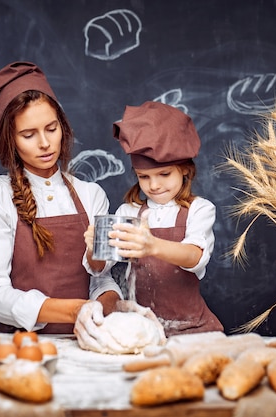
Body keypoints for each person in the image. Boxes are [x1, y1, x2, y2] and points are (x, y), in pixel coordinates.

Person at [0, 61, 159, 345]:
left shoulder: (91, 195)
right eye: (28, 135)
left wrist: (113, 307)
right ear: (10, 141)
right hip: (23, 347)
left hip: (85, 341)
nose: (45, 143)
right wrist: (75, 309)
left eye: (51, 128)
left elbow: (100, 279)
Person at [84, 101, 224, 336]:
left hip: (191, 327)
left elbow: (195, 256)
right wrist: (93, 249)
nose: (154, 185)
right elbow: (100, 268)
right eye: (144, 177)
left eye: (164, 174)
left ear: (185, 170)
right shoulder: (128, 212)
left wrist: (153, 246)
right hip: (141, 327)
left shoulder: (199, 210)